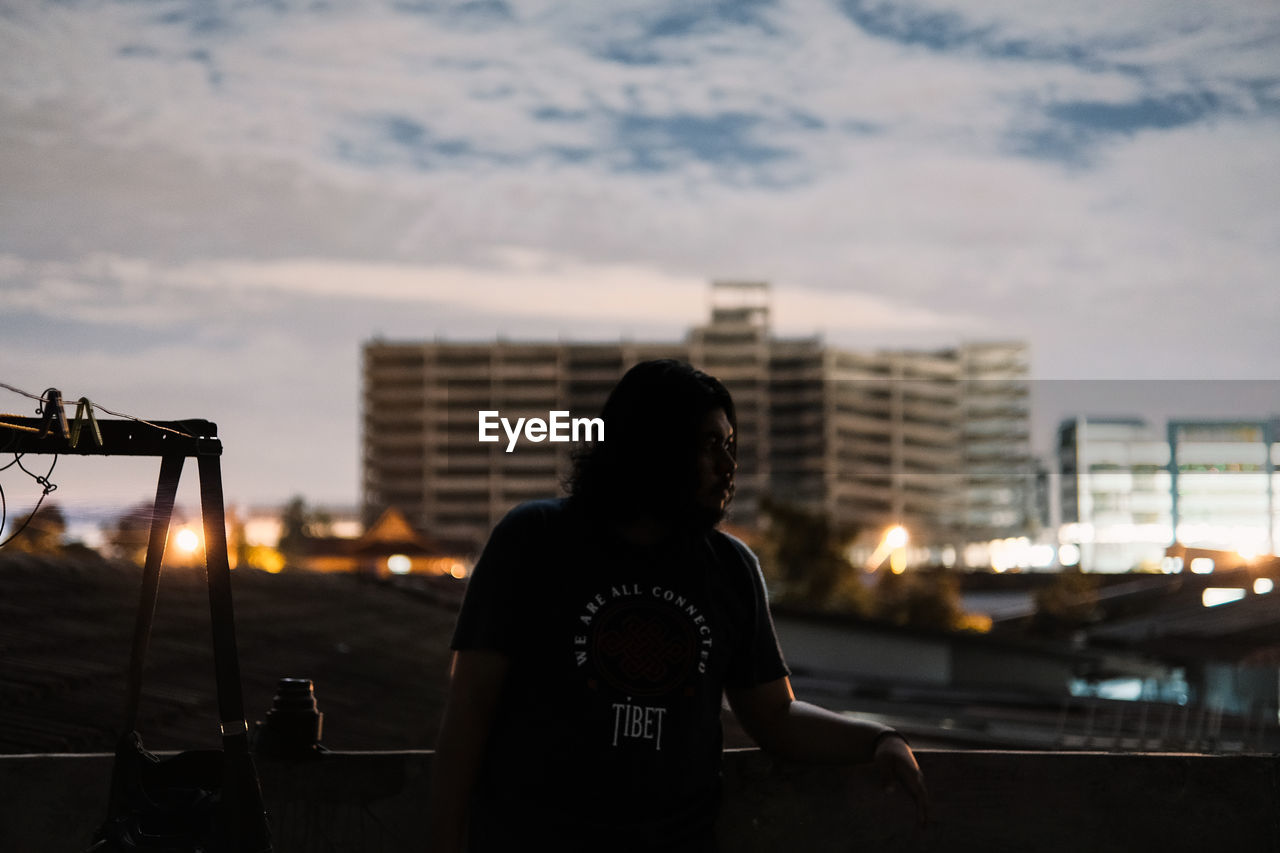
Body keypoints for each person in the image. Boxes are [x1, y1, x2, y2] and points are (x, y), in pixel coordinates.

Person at [428, 359, 927, 852]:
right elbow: (470, 705)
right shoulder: (534, 540)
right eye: (711, 444)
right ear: (654, 445)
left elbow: (775, 716)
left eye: (731, 446)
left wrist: (877, 738)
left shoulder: (730, 569)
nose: (729, 466)